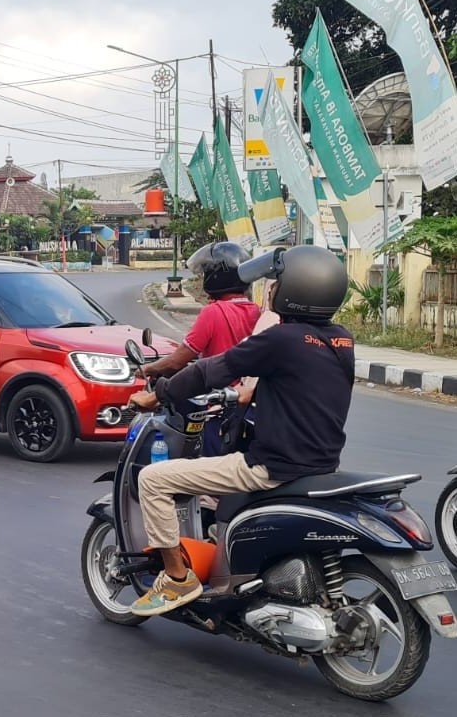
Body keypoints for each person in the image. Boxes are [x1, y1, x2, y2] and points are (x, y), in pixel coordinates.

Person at [125, 245, 353, 617]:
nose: (271, 289)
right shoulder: (342, 339)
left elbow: (206, 370)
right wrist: (256, 390)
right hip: (321, 464)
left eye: (277, 282)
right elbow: (308, 384)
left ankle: (177, 578)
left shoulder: (282, 338)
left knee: (153, 479)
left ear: (295, 288)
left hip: (270, 466)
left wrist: (158, 394)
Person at [141, 242, 260, 457]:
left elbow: (179, 360)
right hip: (250, 407)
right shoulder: (257, 312)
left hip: (219, 408)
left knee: (205, 473)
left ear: (216, 277)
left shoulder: (213, 312)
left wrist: (150, 368)